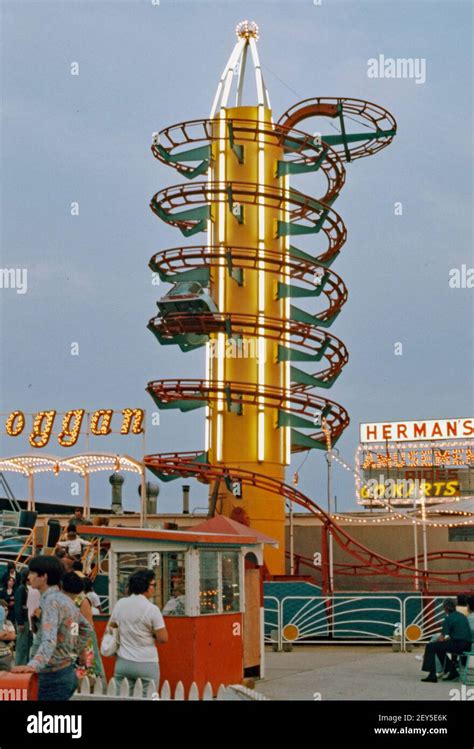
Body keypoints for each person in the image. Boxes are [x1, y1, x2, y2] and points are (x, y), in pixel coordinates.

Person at [11, 555, 93, 701]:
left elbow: (49, 640)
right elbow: (86, 628)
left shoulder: (50, 602)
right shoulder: (65, 600)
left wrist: (34, 665)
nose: (29, 577)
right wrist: (72, 649)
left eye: (32, 573)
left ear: (44, 577)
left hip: (51, 677)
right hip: (66, 671)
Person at [109, 569, 168, 690]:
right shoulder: (152, 609)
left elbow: (113, 627)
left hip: (123, 661)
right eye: (153, 585)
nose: (154, 588)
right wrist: (152, 633)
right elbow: (163, 638)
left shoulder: (120, 604)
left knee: (121, 697)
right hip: (146, 661)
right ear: (145, 585)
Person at [61, 572, 105, 684]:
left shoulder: (80, 600)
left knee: (85, 679)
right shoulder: (78, 600)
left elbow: (86, 628)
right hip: (74, 643)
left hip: (78, 644)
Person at [421, 598, 472, 682]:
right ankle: (452, 672)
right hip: (467, 645)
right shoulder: (462, 616)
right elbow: (458, 634)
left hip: (458, 644)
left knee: (431, 647)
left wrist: (434, 642)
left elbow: (441, 638)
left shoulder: (448, 619)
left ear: (445, 608)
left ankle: (432, 675)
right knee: (440, 648)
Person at [14, 570, 31, 665]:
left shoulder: (28, 588)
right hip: (23, 620)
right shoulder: (21, 589)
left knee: (27, 644)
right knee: (21, 644)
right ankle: (19, 663)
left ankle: (25, 663)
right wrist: (20, 622)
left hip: (28, 619)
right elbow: (18, 606)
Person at [0, 600, 16, 671]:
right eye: (3, 610)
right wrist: (6, 632)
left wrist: (2, 634)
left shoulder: (8, 622)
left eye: (6, 610)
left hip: (7, 656)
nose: (5, 613)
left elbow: (12, 636)